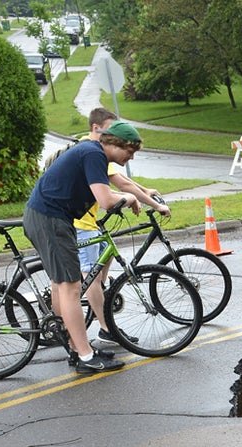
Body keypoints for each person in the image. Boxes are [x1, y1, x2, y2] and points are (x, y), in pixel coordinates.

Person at [22, 120, 145, 374]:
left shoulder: (91, 152)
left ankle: (77, 347)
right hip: (50, 220)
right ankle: (86, 357)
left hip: (47, 217)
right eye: (129, 151)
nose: (130, 157)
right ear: (115, 144)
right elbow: (105, 200)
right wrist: (129, 198)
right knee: (71, 287)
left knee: (61, 285)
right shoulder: (93, 154)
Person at [75, 107, 170, 352]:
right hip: (79, 223)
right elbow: (120, 185)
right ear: (97, 129)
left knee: (106, 249)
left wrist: (143, 192)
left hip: (88, 220)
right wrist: (150, 203)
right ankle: (107, 330)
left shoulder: (94, 149)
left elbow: (122, 180)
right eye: (110, 130)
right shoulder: (91, 151)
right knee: (91, 278)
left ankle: (100, 300)